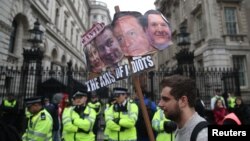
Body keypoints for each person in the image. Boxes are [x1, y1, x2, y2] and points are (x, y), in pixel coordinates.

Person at [158, 75, 208, 141]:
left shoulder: (203, 136)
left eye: (165, 99)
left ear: (183, 101)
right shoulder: (179, 130)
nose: (160, 104)